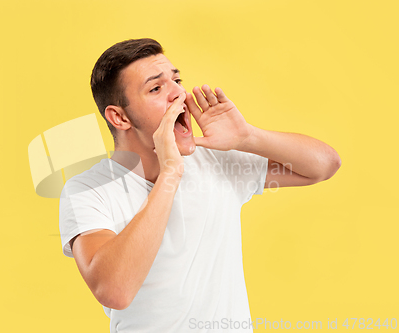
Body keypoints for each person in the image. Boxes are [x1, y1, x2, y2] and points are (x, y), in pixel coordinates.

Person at [59, 38, 341, 332]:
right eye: (156, 88)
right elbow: (114, 290)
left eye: (177, 80)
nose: (178, 94)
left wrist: (248, 137)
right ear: (120, 117)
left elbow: (324, 165)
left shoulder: (215, 161)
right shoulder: (87, 190)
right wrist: (170, 172)